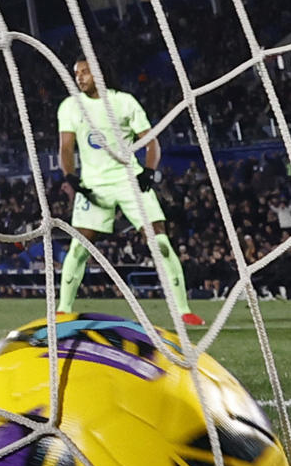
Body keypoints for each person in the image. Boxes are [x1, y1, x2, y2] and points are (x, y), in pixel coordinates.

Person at [57, 59, 195, 322]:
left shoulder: (124, 102)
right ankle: (63, 308)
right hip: (94, 186)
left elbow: (150, 141)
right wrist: (70, 177)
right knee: (79, 247)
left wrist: (150, 171)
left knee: (160, 241)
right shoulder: (70, 107)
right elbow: (65, 147)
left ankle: (184, 311)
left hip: (128, 181)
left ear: (99, 73)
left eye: (85, 72)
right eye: (76, 73)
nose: (80, 77)